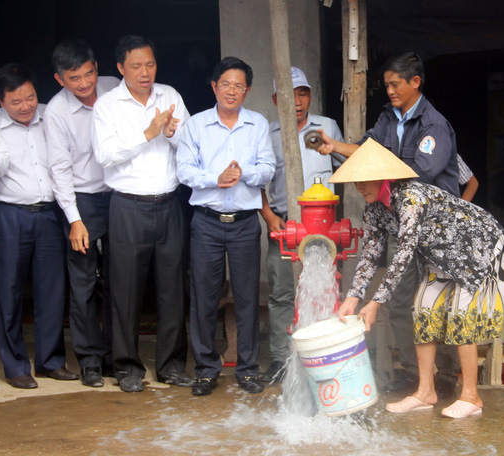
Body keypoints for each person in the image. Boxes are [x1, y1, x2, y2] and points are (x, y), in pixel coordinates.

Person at [316, 52, 461, 395]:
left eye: (396, 84)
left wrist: (377, 163)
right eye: (387, 86)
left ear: (415, 82)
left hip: (434, 231)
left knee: (436, 303)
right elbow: (368, 152)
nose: (390, 91)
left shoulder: (433, 125)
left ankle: (445, 376)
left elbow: (420, 174)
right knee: (400, 300)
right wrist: (335, 146)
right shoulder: (387, 117)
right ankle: (414, 372)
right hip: (398, 222)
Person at [333, 138, 504, 418]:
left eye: (364, 180)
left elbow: (403, 253)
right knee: (423, 311)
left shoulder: (411, 197)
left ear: (382, 176)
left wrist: (375, 303)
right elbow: (370, 253)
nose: (359, 187)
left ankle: (471, 397)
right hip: (440, 255)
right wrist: (353, 297)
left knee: (463, 317)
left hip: (477, 246)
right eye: (356, 181)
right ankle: (426, 391)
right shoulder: (375, 207)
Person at [93, 35, 193, 393]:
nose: (145, 72)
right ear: (120, 68)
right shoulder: (107, 106)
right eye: (136, 66)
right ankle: (126, 367)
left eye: (150, 64)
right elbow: (105, 156)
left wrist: (171, 133)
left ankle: (171, 366)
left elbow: (191, 145)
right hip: (128, 207)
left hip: (169, 204)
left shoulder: (170, 96)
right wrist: (148, 133)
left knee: (172, 290)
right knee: (125, 290)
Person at [177, 57, 275, 396]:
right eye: (226, 84)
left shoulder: (258, 124)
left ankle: (247, 369)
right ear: (214, 86)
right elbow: (184, 171)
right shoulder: (196, 125)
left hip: (245, 224)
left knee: (247, 298)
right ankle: (206, 369)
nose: (231, 91)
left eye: (239, 86)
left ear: (246, 90)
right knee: (204, 298)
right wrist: (215, 179)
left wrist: (243, 173)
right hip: (206, 222)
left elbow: (268, 168)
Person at [259, 66, 344, 383]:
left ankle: (324, 357)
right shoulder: (266, 134)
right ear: (274, 98)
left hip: (323, 230)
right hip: (284, 225)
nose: (297, 101)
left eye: (303, 93)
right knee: (282, 294)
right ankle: (281, 360)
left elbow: (347, 167)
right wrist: (268, 215)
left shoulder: (326, 127)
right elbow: (257, 183)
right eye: (289, 95)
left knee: (325, 292)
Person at [0, 63, 78, 389]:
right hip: (9, 215)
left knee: (52, 290)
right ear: (1, 101)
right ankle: (15, 365)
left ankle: (50, 361)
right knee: (9, 291)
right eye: (16, 102)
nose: (25, 106)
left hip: (49, 214)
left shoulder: (51, 116)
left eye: (30, 97)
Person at [45, 39, 120, 388]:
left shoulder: (113, 88)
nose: (85, 83)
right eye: (75, 78)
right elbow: (59, 169)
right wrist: (74, 219)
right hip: (83, 201)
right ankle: (90, 359)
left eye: (89, 73)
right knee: (83, 282)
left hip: (119, 195)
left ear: (96, 66)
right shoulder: (57, 112)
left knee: (120, 280)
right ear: (60, 79)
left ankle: (117, 356)